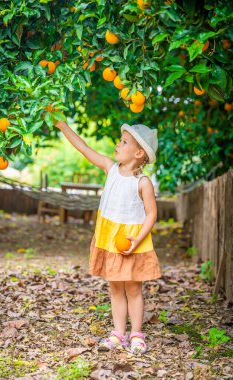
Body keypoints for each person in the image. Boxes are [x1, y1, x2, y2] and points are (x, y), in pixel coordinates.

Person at [55, 121, 162, 355]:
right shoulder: (109, 168)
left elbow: (152, 214)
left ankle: (136, 335)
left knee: (133, 289)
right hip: (109, 240)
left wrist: (137, 239)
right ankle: (118, 334)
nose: (117, 144)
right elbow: (84, 148)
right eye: (120, 140)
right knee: (115, 289)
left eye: (123, 142)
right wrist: (62, 126)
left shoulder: (142, 183)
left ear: (138, 152)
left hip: (133, 242)